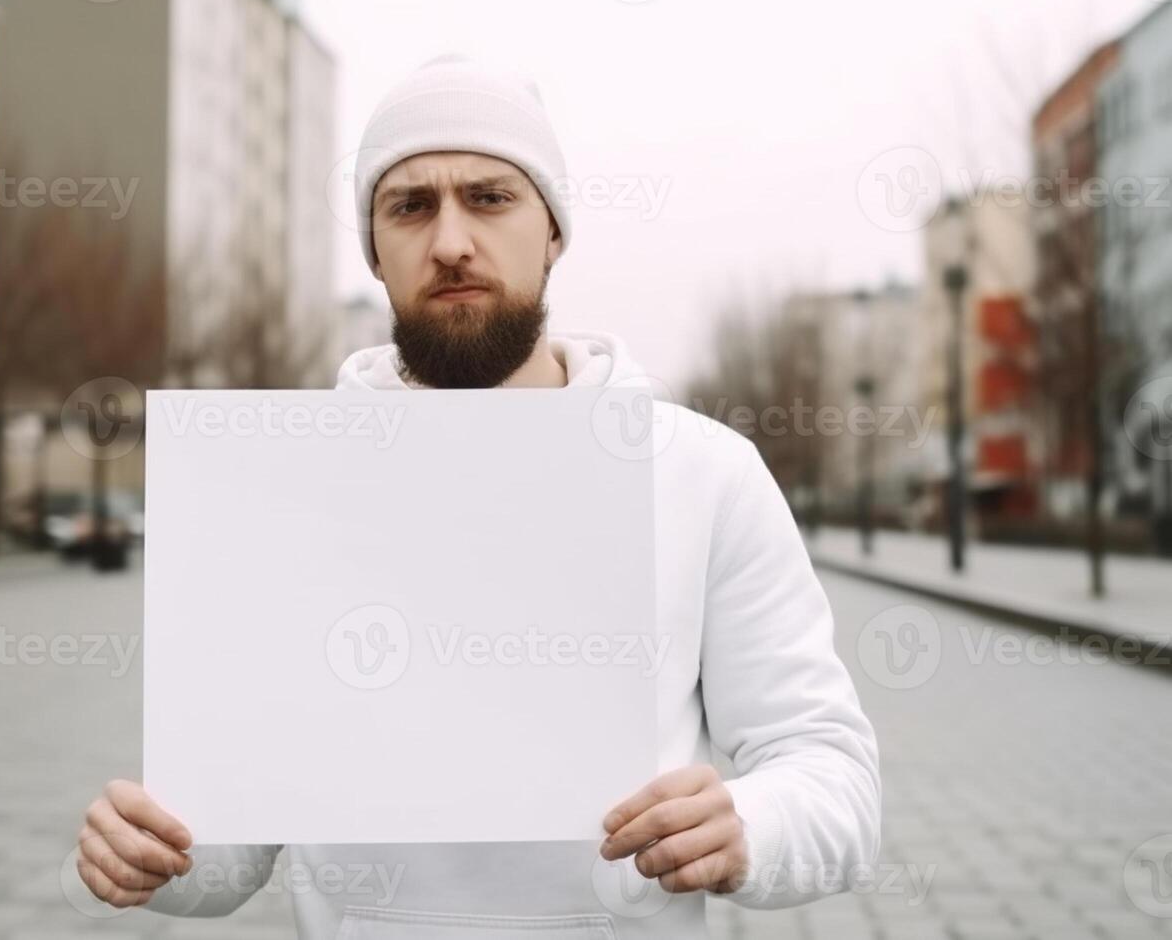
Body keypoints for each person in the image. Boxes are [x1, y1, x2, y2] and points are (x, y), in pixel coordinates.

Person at [74, 53, 881, 937]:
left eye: (490, 197)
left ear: (554, 232)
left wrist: (749, 825)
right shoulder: (287, 491)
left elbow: (830, 771)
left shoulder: (702, 472)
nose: (451, 240)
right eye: (410, 205)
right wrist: (155, 851)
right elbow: (229, 854)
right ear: (375, 250)